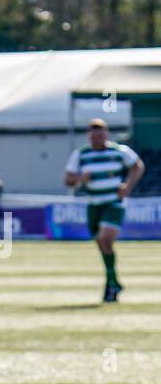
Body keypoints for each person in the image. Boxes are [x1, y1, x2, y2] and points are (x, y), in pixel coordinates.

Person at [64, 118, 145, 303]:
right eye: (93, 135)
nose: (97, 138)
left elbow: (137, 166)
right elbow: (67, 179)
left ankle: (110, 284)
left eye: (100, 134)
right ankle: (113, 282)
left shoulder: (119, 151)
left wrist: (128, 186)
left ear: (106, 135)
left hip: (113, 203)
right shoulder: (81, 154)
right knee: (101, 245)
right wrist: (79, 178)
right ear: (89, 136)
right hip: (94, 204)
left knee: (105, 238)